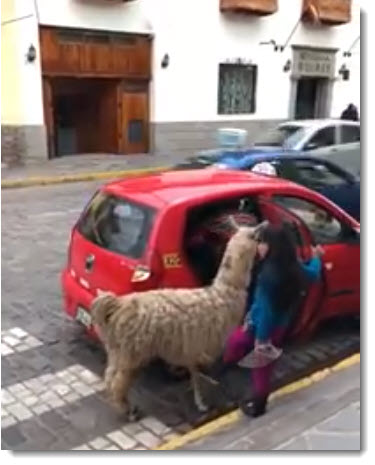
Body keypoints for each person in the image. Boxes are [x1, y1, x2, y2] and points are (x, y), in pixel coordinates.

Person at [222, 222, 323, 418]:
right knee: (262, 367)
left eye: (261, 242)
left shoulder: (268, 275)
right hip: (280, 326)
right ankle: (256, 395)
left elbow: (266, 311)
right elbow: (312, 275)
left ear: (272, 246)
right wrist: (317, 258)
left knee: (240, 344)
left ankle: (236, 377)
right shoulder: (291, 265)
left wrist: (261, 339)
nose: (258, 247)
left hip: (260, 326)